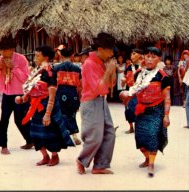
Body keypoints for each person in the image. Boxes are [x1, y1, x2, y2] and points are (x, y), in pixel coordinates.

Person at [16, 45, 75, 166]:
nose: (35, 58)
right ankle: (45, 156)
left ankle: (54, 156)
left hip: (48, 105)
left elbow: (52, 96)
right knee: (35, 133)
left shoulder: (50, 73)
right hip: (35, 106)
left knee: (50, 133)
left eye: (38, 56)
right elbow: (31, 89)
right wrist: (23, 98)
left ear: (46, 57)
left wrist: (48, 114)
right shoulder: (36, 71)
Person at [120, 47, 171, 177]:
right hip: (141, 109)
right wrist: (127, 97)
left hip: (156, 110)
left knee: (152, 134)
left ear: (159, 59)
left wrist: (166, 116)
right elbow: (134, 89)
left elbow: (167, 98)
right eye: (147, 56)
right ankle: (147, 158)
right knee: (140, 137)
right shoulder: (138, 74)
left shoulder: (163, 76)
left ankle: (152, 164)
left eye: (153, 57)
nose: (149, 59)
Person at [76, 32, 116, 175]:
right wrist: (108, 71)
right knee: (95, 136)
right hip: (91, 101)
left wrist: (112, 71)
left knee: (110, 133)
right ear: (100, 50)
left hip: (101, 100)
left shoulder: (101, 62)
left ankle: (100, 165)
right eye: (109, 50)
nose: (111, 53)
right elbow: (98, 87)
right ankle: (81, 160)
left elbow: (111, 85)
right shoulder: (89, 63)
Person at [0, 37, 33, 155]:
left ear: (12, 50)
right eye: (1, 51)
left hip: (20, 94)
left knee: (20, 119)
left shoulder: (21, 59)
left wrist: (14, 67)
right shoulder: (0, 59)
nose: (2, 53)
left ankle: (31, 140)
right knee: (4, 119)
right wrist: (0, 69)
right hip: (6, 93)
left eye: (5, 51)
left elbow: (26, 78)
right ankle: (3, 145)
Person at [54, 47, 82, 145]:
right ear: (72, 56)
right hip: (72, 93)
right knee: (72, 114)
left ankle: (62, 136)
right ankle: (74, 135)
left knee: (61, 114)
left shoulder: (56, 68)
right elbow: (80, 86)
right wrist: (79, 98)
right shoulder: (77, 69)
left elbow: (53, 84)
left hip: (60, 93)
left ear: (61, 55)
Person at [122, 48, 143, 134]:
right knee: (128, 109)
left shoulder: (143, 67)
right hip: (129, 90)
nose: (132, 56)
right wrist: (124, 80)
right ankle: (131, 127)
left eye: (134, 54)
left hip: (139, 91)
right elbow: (126, 77)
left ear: (140, 56)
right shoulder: (129, 67)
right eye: (131, 54)